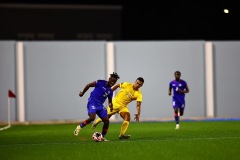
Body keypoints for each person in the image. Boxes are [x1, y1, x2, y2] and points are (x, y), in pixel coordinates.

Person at [73, 72, 120, 142]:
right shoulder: (100, 82)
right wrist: (82, 93)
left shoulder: (110, 91)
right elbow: (88, 85)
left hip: (100, 105)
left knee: (106, 121)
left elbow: (110, 101)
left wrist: (111, 106)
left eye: (114, 82)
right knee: (92, 118)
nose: (113, 83)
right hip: (92, 102)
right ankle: (79, 127)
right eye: (112, 81)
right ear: (109, 79)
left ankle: (102, 137)